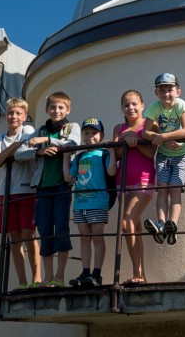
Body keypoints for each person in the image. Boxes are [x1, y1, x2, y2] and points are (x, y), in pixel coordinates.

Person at [15, 92, 81, 287]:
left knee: (61, 228)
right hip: (43, 186)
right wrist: (38, 151)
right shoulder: (41, 129)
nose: (56, 111)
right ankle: (47, 277)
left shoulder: (71, 127)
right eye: (53, 107)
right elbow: (19, 153)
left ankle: (59, 277)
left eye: (61, 107)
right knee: (44, 230)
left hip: (62, 184)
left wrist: (47, 141)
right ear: (47, 110)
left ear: (68, 109)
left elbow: (73, 143)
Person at [0, 97, 40, 289]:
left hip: (26, 189)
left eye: (18, 113)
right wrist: (12, 148)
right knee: (14, 238)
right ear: (5, 115)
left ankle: (36, 278)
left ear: (25, 116)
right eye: (11, 113)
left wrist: (6, 155)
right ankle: (22, 282)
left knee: (29, 235)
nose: (14, 116)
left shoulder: (27, 130)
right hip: (6, 191)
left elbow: (24, 150)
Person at [64, 118, 117, 287]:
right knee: (84, 238)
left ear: (101, 135)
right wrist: (66, 157)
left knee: (97, 237)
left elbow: (112, 171)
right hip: (80, 203)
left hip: (98, 202)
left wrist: (112, 151)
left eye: (94, 133)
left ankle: (97, 274)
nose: (90, 136)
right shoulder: (80, 156)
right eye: (86, 133)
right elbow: (68, 178)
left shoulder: (103, 154)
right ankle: (85, 272)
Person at [143, 73, 185, 246]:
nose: (166, 94)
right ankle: (161, 224)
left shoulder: (180, 104)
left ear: (178, 91)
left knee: (175, 189)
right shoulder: (155, 107)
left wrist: (163, 137)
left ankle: (173, 224)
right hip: (163, 155)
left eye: (170, 89)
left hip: (182, 153)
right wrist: (160, 137)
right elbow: (145, 132)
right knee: (162, 189)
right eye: (161, 90)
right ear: (156, 93)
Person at [112, 90, 156, 285]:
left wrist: (136, 141)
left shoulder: (149, 124)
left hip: (144, 180)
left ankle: (138, 273)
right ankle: (140, 274)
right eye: (126, 105)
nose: (130, 108)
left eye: (134, 104)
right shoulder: (118, 128)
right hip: (122, 183)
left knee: (126, 224)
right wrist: (122, 141)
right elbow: (116, 155)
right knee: (133, 228)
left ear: (142, 105)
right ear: (122, 108)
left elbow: (151, 153)